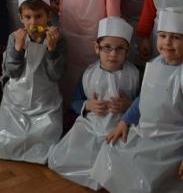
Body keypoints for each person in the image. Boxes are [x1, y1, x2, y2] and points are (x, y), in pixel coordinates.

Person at [92, 9, 183, 193]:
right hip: (145, 130)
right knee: (111, 149)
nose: (167, 42)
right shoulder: (153, 64)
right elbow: (143, 99)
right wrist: (124, 122)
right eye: (162, 36)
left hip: (173, 140)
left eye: (176, 37)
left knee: (149, 178)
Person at [48, 17, 140, 190]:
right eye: (107, 47)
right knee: (67, 157)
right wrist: (88, 105)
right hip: (91, 126)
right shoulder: (89, 73)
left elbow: (143, 103)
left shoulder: (134, 74)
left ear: (127, 51)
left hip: (121, 128)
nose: (113, 54)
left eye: (120, 48)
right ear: (97, 48)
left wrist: (129, 106)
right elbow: (75, 101)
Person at [0, 0, 65, 164]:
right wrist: (18, 49)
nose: (33, 23)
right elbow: (12, 72)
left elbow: (55, 75)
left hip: (45, 100)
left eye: (39, 16)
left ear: (48, 16)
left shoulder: (58, 40)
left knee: (48, 134)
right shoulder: (14, 37)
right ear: (20, 18)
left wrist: (52, 50)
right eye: (28, 17)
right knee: (8, 142)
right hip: (17, 99)